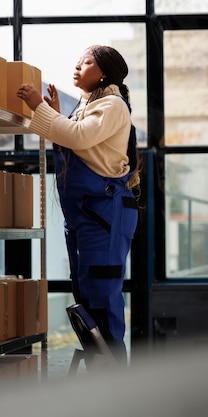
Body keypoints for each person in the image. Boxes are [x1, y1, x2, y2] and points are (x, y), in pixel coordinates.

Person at [17, 45, 139, 366]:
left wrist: (38, 108)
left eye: (86, 63)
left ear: (103, 73)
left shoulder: (112, 105)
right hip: (88, 214)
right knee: (86, 295)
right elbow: (74, 142)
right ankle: (102, 377)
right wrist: (55, 112)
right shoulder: (89, 106)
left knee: (101, 297)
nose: (77, 66)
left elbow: (80, 137)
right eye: (78, 61)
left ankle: (114, 384)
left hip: (105, 214)